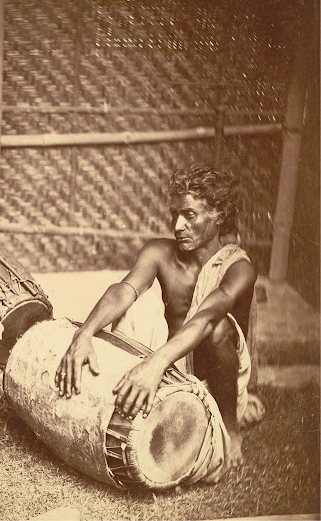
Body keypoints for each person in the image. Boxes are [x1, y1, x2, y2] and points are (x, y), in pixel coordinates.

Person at [55, 165, 259, 469]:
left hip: (213, 381)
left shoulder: (238, 268)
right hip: (168, 364)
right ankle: (120, 402)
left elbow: (204, 319)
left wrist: (154, 364)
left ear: (218, 215)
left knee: (217, 328)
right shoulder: (159, 252)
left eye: (189, 215)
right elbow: (124, 290)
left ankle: (229, 430)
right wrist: (83, 334)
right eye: (174, 214)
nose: (177, 225)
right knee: (138, 304)